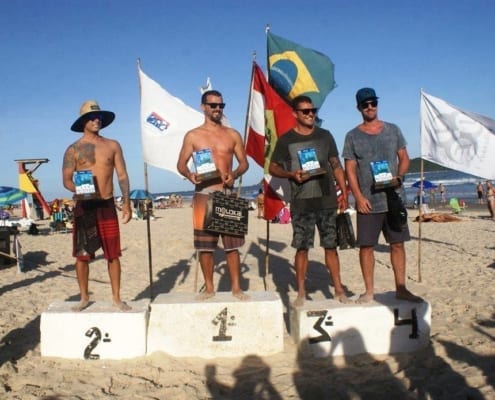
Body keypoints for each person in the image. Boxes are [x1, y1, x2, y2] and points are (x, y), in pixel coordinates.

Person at [342, 88, 422, 304]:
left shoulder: (393, 130)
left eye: (373, 103)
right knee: (366, 246)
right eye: (365, 104)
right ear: (359, 108)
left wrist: (400, 176)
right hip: (368, 200)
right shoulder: (352, 136)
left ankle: (402, 288)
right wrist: (357, 197)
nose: (370, 107)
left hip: (394, 198)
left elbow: (404, 157)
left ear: (377, 104)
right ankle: (369, 291)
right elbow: (349, 169)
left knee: (398, 244)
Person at [269, 95, 350, 307]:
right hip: (301, 202)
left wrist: (344, 193)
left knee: (330, 246)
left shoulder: (325, 136)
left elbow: (336, 165)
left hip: (327, 200)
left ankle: (339, 289)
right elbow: (273, 167)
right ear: (295, 114)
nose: (311, 114)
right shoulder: (286, 140)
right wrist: (291, 175)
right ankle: (301, 292)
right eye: (305, 111)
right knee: (302, 248)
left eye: (313, 110)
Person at [177, 90, 249, 300]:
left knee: (232, 246)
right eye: (213, 105)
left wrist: (234, 174)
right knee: (205, 247)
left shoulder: (232, 134)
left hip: (227, 192)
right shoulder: (193, 135)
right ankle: (209, 287)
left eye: (221, 105)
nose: (217, 109)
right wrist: (190, 175)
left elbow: (244, 162)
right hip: (204, 193)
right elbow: (180, 164)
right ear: (203, 107)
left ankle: (236, 287)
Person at [62, 100, 132, 312]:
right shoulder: (73, 149)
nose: (97, 120)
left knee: (113, 253)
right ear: (83, 121)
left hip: (107, 204)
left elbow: (122, 175)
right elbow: (66, 179)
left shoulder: (112, 145)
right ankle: (84, 297)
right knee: (82, 255)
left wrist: (127, 203)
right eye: (92, 117)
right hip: (85, 205)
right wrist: (78, 188)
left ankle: (116, 298)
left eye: (99, 117)